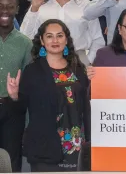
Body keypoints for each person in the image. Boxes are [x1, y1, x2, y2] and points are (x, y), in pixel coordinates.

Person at [7, 19, 90, 172]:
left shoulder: (78, 69)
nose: (55, 40)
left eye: (59, 35)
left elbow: (87, 105)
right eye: (49, 36)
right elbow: (21, 110)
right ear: (42, 41)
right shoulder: (32, 71)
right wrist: (14, 96)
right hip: (44, 147)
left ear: (66, 39)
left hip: (76, 145)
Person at [21, 0, 105, 65]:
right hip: (47, 62)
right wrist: (34, 8)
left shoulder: (86, 5)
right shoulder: (41, 6)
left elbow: (98, 39)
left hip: (79, 61)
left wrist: (88, 61)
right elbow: (25, 35)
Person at [0, 0, 32, 172]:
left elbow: (28, 85)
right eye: (0, 6)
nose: (5, 11)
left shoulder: (25, 43)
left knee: (11, 161)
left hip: (12, 109)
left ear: (17, 9)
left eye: (10, 6)